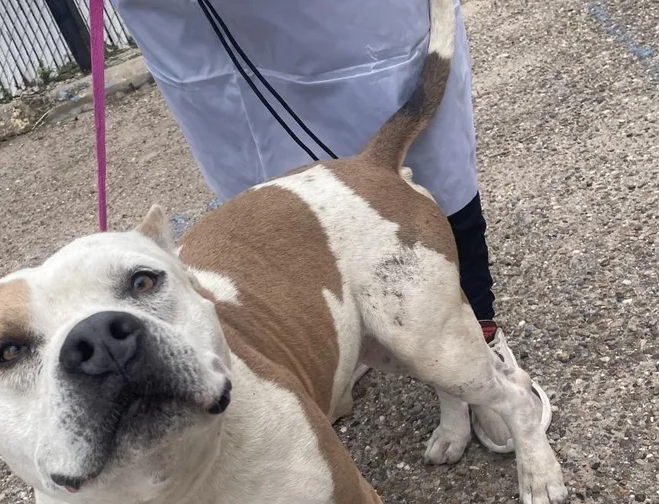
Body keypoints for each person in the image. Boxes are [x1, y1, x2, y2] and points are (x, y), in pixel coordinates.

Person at [111, 0, 551, 450]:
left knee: (413, 154)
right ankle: (344, 337)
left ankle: (476, 338)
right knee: (258, 193)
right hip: (188, 24)